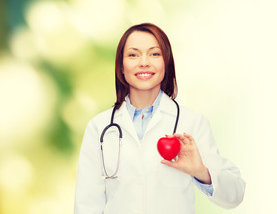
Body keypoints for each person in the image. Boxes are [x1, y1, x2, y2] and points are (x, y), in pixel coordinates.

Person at [74, 23, 246, 214]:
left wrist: (201, 172)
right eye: (133, 54)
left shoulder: (192, 123)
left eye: (154, 54)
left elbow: (236, 193)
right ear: (121, 67)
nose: (144, 62)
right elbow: (86, 204)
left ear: (167, 63)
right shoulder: (100, 128)